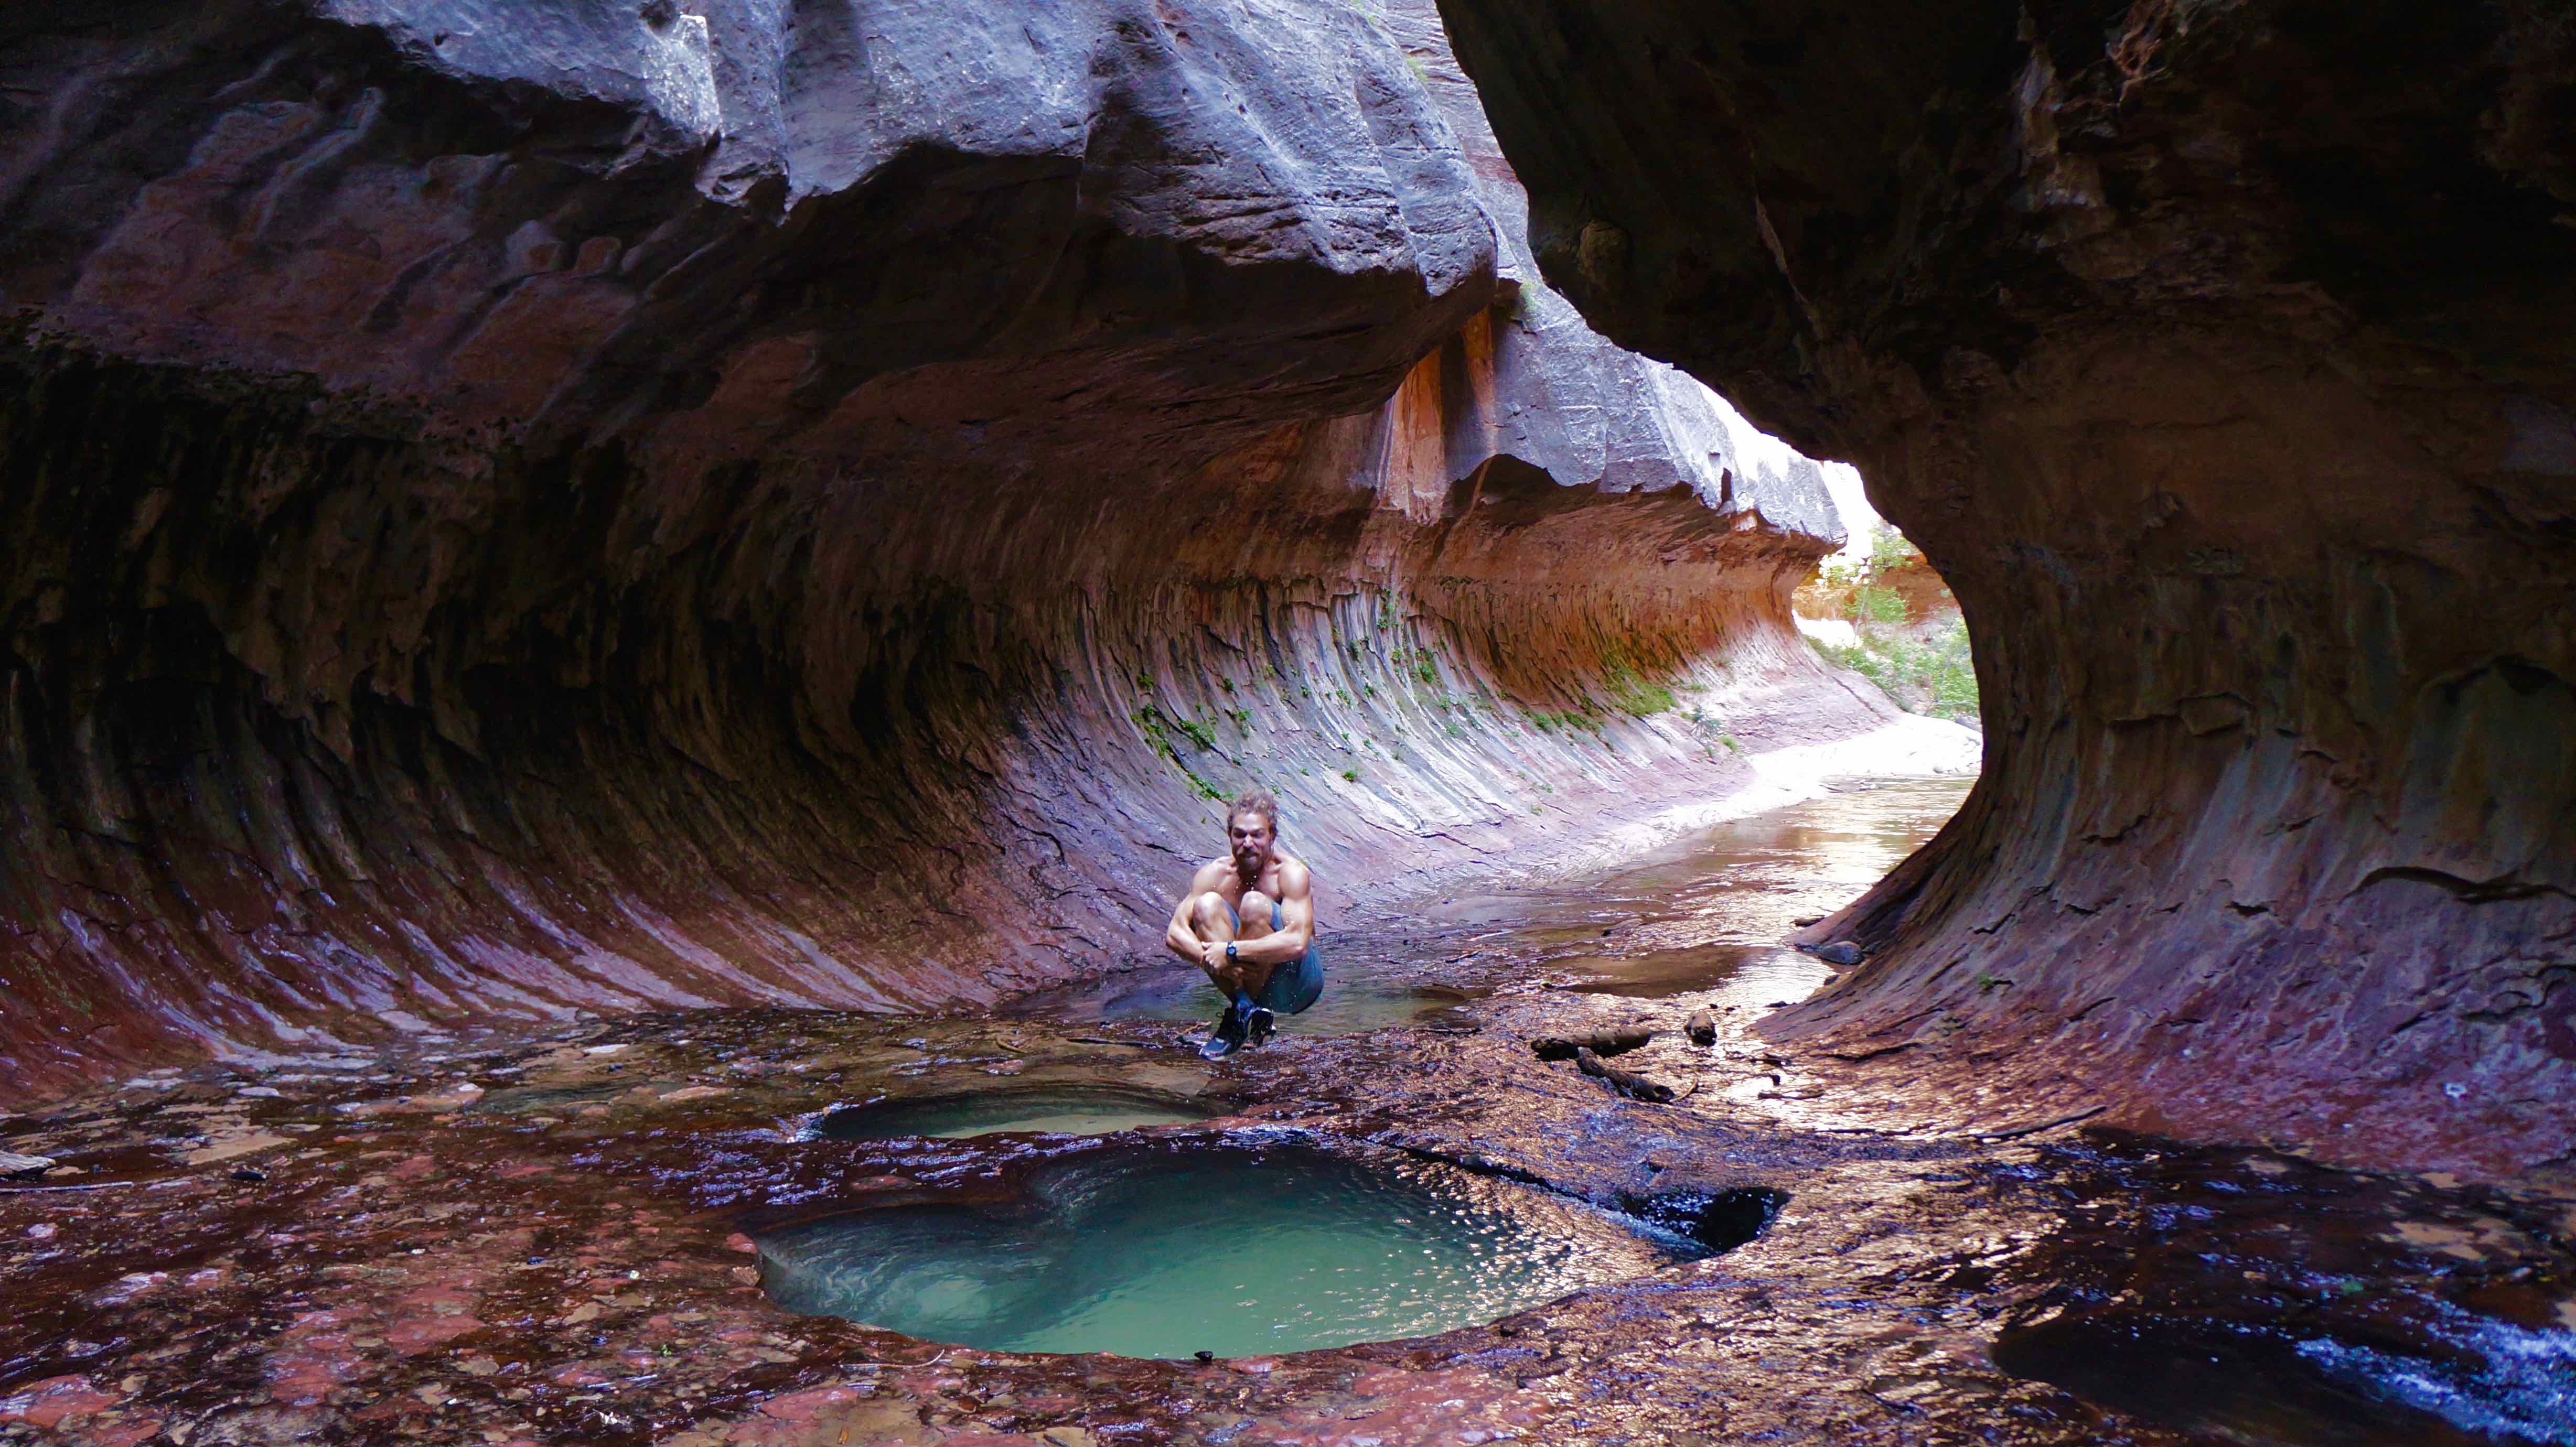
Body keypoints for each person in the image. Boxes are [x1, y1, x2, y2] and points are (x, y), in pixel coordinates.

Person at [1163, 790, 1324, 1059]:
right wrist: (1208, 958)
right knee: (1206, 905)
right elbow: (1175, 933)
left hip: (1297, 985)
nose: (1248, 843)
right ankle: (1244, 1010)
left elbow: (1298, 942)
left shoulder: (1290, 873)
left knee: (1254, 905)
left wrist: (1228, 952)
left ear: (1272, 836)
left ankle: (1244, 1008)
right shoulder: (1215, 874)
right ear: (1229, 835)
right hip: (1250, 982)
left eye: (1257, 835)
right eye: (1240, 834)